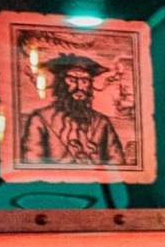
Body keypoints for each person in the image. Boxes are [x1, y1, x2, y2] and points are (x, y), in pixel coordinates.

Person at [13, 44, 133, 172]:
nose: (79, 87)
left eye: (85, 81)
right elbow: (31, 164)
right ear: (60, 83)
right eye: (72, 80)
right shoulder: (40, 120)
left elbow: (118, 164)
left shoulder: (101, 122)